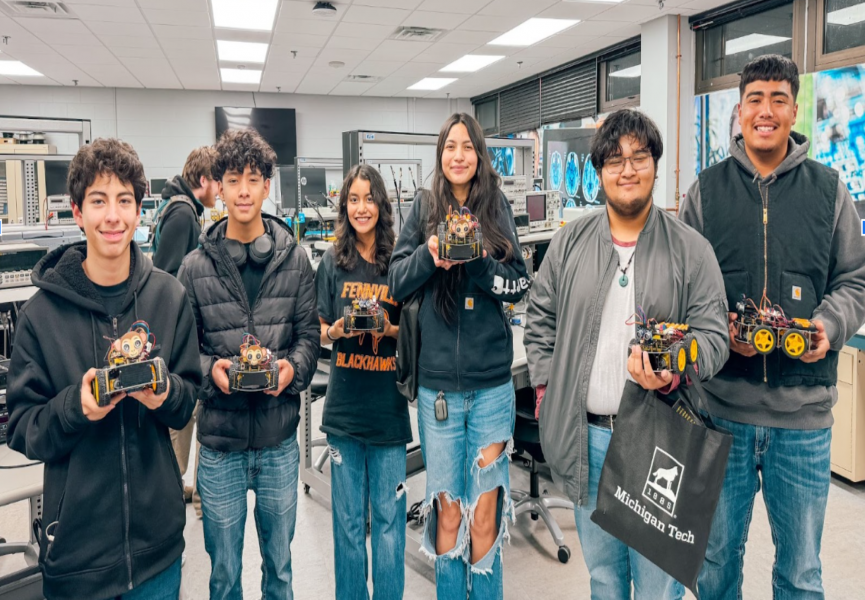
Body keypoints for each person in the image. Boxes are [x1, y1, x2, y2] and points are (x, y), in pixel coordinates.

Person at [680, 54, 865, 600]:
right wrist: (716, 330)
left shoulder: (830, 191)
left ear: (793, 109)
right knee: (714, 565)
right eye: (755, 99)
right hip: (719, 415)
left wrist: (830, 326)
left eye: (778, 99)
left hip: (803, 420)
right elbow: (681, 286)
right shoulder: (704, 193)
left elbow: (856, 279)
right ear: (739, 112)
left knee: (801, 574)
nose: (766, 111)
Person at [525, 108, 729, 600]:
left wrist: (675, 369)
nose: (628, 169)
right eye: (615, 160)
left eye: (639, 157)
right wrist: (548, 392)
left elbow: (714, 337)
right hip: (588, 440)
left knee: (659, 587)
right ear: (599, 172)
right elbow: (540, 320)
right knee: (604, 580)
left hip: (662, 440)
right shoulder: (569, 243)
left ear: (656, 165)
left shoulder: (691, 250)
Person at [6, 138, 202, 600]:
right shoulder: (41, 314)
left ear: (139, 212)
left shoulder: (169, 298)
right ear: (77, 212)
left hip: (158, 553)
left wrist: (164, 394)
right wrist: (76, 406)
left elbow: (188, 400)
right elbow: (22, 428)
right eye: (98, 200)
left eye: (124, 200)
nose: (112, 216)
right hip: (78, 559)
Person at [389, 113, 529, 599]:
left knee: (485, 512)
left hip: (491, 388)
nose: (459, 156)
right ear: (440, 155)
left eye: (468, 147)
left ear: (480, 154)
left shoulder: (496, 207)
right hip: (439, 392)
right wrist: (431, 255)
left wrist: (478, 264)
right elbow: (396, 281)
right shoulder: (425, 208)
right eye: (451, 146)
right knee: (447, 511)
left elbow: (518, 283)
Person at [178, 128, 320, 600]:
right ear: (217, 185)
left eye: (253, 178)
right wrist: (209, 371)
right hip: (220, 446)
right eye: (233, 178)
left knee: (280, 572)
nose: (242, 189)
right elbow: (185, 353)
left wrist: (291, 371)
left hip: (279, 444)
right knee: (223, 578)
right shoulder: (194, 268)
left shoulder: (295, 260)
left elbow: (308, 339)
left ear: (266, 186)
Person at [316, 164, 410, 600]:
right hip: (345, 413)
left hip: (388, 413)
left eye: (369, 198)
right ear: (344, 206)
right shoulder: (332, 263)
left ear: (382, 205)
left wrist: (386, 330)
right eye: (353, 199)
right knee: (348, 524)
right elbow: (317, 330)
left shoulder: (399, 263)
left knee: (390, 524)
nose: (361, 207)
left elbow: (412, 330)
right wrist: (337, 330)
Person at [154, 145, 218, 516]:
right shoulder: (182, 215)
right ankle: (171, 489)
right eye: (218, 182)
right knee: (184, 415)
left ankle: (190, 491)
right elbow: (167, 278)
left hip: (181, 333)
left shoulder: (179, 207)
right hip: (179, 336)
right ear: (204, 180)